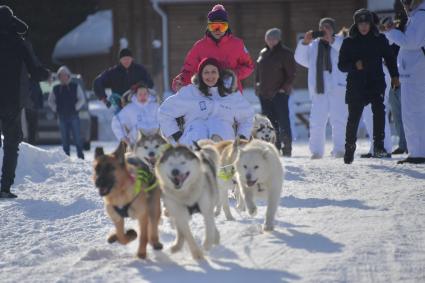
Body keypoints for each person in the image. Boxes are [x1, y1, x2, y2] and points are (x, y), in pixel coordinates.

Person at [0, 5, 49, 198]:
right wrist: (46, 73)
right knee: (11, 143)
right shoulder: (19, 42)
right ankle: (4, 187)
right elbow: (36, 71)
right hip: (11, 101)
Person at [338, 9, 399, 164]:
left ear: (371, 24)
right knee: (353, 118)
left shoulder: (380, 39)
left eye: (366, 23)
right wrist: (354, 65)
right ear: (356, 24)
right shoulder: (349, 42)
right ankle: (350, 147)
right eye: (360, 24)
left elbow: (390, 59)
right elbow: (341, 65)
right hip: (356, 85)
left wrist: (395, 76)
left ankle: (378, 146)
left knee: (379, 112)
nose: (363, 27)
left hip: (376, 83)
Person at [160, 58, 254, 146]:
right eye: (206, 72)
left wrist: (241, 138)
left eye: (214, 72)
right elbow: (165, 112)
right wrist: (176, 136)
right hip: (194, 147)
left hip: (224, 148)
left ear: (219, 74)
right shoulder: (190, 92)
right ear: (200, 75)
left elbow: (247, 117)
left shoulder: (230, 94)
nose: (210, 76)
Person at [294, 18, 348, 159]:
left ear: (333, 29)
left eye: (328, 27)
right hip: (319, 87)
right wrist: (304, 42)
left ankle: (340, 149)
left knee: (339, 120)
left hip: (337, 87)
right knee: (317, 121)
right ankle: (317, 151)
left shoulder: (340, 41)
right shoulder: (312, 45)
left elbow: (347, 52)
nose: (324, 30)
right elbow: (300, 59)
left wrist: (332, 40)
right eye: (322, 27)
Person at [172, 4, 254, 93]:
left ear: (227, 27)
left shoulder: (237, 44)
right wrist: (181, 81)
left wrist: (232, 75)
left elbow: (248, 66)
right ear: (209, 27)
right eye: (214, 27)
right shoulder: (199, 46)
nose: (218, 30)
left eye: (222, 27)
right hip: (206, 94)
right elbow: (188, 70)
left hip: (231, 92)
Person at [383, 0, 425, 164]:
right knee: (412, 114)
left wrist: (392, 31)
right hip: (412, 74)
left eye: (408, 1)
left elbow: (411, 42)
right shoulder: (416, 17)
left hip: (416, 74)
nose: (405, 5)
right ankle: (417, 151)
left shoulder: (421, 16)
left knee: (413, 114)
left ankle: (419, 153)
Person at [255, 28, 296, 156]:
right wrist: (257, 87)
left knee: (283, 120)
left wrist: (284, 87)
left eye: (273, 38)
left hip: (280, 94)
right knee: (269, 122)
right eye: (268, 38)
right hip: (264, 94)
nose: (270, 41)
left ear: (278, 39)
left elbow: (291, 74)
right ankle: (274, 146)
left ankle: (287, 146)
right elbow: (258, 73)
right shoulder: (263, 53)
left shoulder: (285, 53)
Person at [48, 66, 85, 159]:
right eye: (61, 76)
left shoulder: (75, 86)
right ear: (59, 77)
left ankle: (80, 157)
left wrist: (75, 108)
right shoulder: (55, 88)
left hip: (74, 116)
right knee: (65, 139)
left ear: (68, 76)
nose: (63, 77)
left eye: (65, 75)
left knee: (77, 138)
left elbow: (82, 99)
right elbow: (50, 101)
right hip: (61, 117)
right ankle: (66, 158)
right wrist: (56, 109)